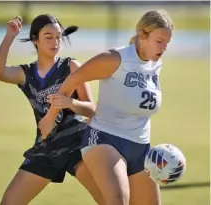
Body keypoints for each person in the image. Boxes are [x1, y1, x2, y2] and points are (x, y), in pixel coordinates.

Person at [39, 9, 174, 205]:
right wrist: (51, 117)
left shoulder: (155, 64)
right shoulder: (115, 58)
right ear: (142, 35)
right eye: (160, 41)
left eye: (167, 43)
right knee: (118, 200)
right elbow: (73, 80)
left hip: (140, 147)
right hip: (104, 139)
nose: (164, 47)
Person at [0, 14, 104, 205]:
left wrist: (70, 103)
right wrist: (10, 36)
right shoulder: (25, 74)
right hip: (46, 148)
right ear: (36, 40)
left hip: (78, 145)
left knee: (111, 201)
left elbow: (92, 109)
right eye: (48, 37)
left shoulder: (70, 66)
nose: (55, 42)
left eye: (58, 36)